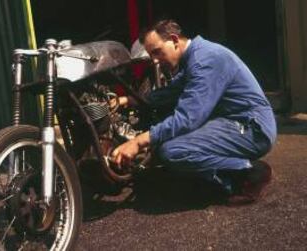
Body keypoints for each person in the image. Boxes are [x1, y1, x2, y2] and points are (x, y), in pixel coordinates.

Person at [111, 19, 277, 205]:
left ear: (174, 40)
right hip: (232, 121)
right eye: (151, 55)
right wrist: (128, 100)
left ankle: (246, 172)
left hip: (252, 128)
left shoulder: (205, 60)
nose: (155, 61)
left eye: (157, 52)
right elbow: (170, 92)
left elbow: (187, 118)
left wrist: (138, 141)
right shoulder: (195, 55)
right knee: (167, 141)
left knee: (173, 151)